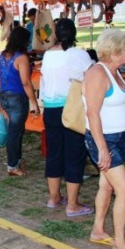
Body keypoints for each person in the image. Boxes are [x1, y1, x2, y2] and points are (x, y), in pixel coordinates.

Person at [83, 29, 125, 249]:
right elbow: (92, 113)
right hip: (105, 140)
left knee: (107, 186)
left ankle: (98, 230)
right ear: (116, 51)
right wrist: (101, 149)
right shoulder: (97, 74)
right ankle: (119, 244)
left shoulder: (114, 72)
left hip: (117, 138)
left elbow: (118, 107)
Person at [40, 18, 94, 215]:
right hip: (72, 110)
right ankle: (72, 204)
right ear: (74, 34)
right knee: (74, 154)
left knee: (54, 153)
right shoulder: (79, 55)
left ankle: (54, 198)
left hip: (51, 109)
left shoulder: (47, 55)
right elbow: (91, 78)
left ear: (55, 34)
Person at [0, 26, 40, 177]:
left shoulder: (2, 56)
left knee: (16, 131)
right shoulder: (21, 58)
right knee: (15, 133)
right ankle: (12, 165)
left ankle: (16, 160)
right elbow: (26, 82)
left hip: (4, 96)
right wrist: (34, 102)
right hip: (17, 98)